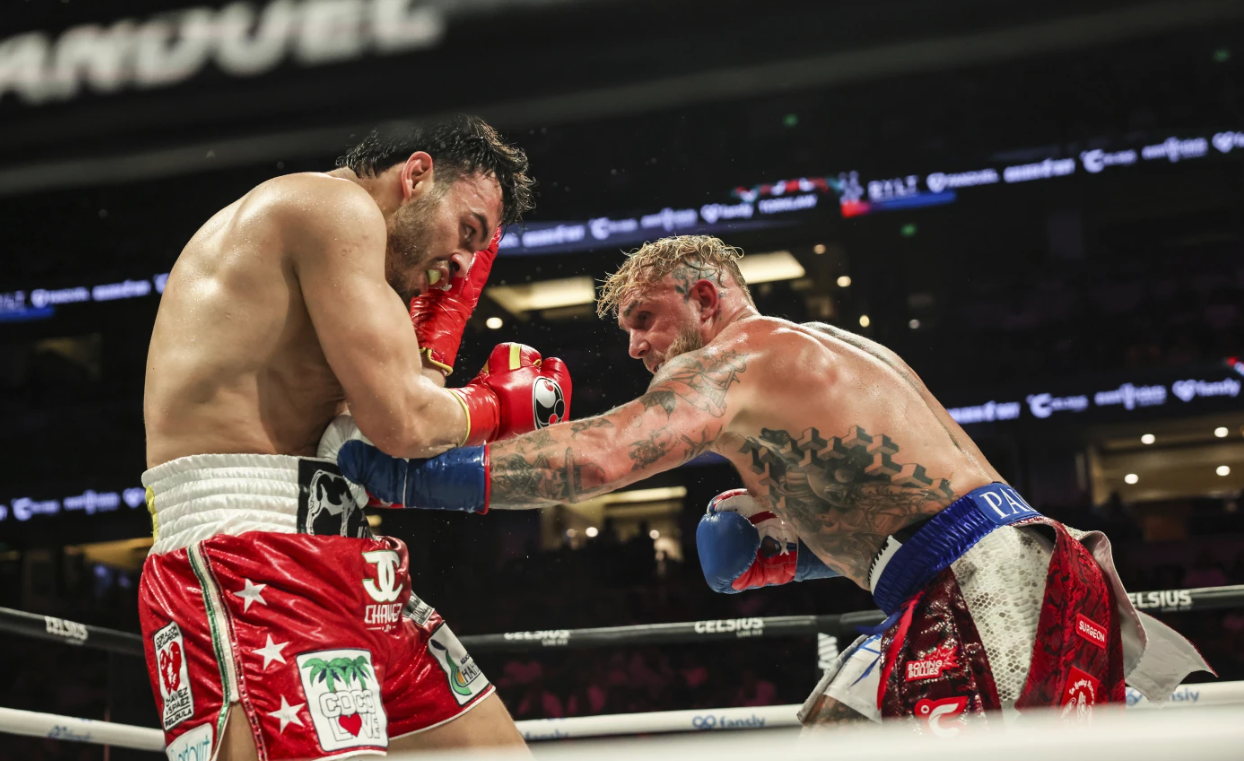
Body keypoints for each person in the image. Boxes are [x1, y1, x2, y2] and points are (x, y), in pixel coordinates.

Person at [334, 234, 1212, 733]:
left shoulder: (739, 358)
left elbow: (600, 456)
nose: (635, 345)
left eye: (646, 318)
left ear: (707, 298)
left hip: (990, 584)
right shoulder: (830, 357)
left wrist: (417, 472)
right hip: (964, 576)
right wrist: (794, 556)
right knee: (832, 734)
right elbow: (921, 508)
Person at [139, 115, 572, 761]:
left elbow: (376, 438)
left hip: (348, 561)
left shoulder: (351, 268)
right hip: (248, 553)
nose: (461, 264)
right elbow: (404, 421)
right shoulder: (328, 205)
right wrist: (494, 404)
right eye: (467, 231)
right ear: (417, 174)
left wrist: (438, 330)